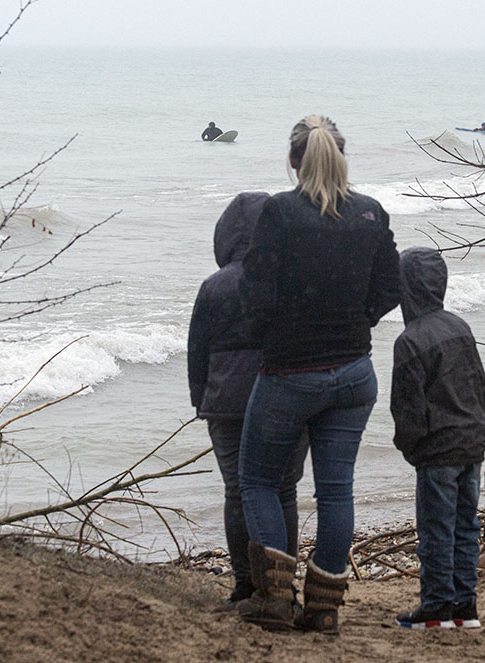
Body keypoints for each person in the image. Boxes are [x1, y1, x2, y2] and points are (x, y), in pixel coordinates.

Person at [236, 114, 400, 633]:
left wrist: (273, 333)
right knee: (335, 490)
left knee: (259, 479)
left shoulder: (279, 213)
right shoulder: (370, 214)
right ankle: (324, 608)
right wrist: (357, 320)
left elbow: (255, 291)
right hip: (354, 373)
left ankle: (275, 601)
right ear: (343, 158)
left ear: (292, 161)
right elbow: (390, 287)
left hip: (289, 372)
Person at [187, 191, 308, 608]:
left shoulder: (213, 286)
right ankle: (282, 588)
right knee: (283, 491)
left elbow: (196, 351)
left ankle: (245, 586)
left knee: (238, 491)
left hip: (226, 402)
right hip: (287, 395)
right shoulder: (291, 279)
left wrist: (199, 398)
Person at [390, 246, 485, 630]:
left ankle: (436, 605)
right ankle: (465, 606)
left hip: (438, 451)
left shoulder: (410, 340)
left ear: (405, 289)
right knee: (466, 526)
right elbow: (482, 392)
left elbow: (407, 411)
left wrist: (412, 448)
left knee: (437, 530)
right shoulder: (460, 327)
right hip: (471, 442)